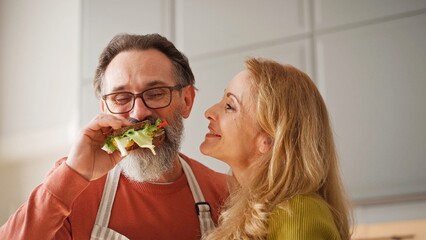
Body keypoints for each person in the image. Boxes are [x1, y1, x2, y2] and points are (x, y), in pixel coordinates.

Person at [0, 33, 228, 240]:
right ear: (105, 110)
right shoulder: (72, 187)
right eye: (121, 98)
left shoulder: (225, 192)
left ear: (186, 101)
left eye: (156, 94)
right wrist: (73, 174)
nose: (139, 113)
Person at [200, 57, 352, 240]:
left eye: (230, 106)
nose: (209, 112)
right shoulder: (242, 210)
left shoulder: (298, 212)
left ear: (269, 140)